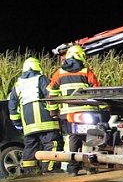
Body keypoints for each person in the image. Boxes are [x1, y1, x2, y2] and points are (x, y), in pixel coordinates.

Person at [48, 45, 105, 175]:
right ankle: (89, 166)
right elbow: (97, 91)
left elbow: (51, 94)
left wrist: (53, 111)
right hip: (87, 112)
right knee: (90, 137)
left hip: (68, 114)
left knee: (72, 138)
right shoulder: (86, 72)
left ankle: (72, 169)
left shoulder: (59, 73)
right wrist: (103, 109)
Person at [7, 57, 64, 175]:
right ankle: (49, 169)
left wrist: (18, 124)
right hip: (46, 122)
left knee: (30, 147)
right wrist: (55, 113)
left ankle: (30, 172)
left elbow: (12, 106)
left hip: (28, 126)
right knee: (52, 144)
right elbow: (51, 96)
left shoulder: (18, 85)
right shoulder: (41, 79)